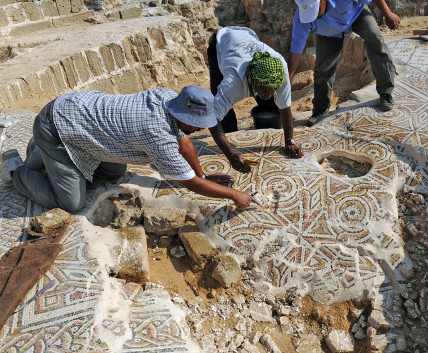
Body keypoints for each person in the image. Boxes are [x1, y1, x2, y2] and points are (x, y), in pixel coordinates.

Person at [0, 86, 253, 212]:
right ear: (185, 117)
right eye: (197, 125)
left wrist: (205, 176)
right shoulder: (157, 135)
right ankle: (16, 171)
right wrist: (232, 195)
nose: (199, 130)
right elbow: (189, 184)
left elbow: (184, 143)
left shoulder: (167, 98)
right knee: (71, 202)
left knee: (115, 168)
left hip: (75, 113)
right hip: (55, 125)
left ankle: (42, 153)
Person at [207, 26, 304, 173]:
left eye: (273, 88)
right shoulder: (233, 83)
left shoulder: (280, 71)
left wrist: (290, 141)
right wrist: (230, 154)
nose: (270, 93)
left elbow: (285, 107)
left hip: (247, 36)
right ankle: (229, 136)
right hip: (220, 45)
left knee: (269, 101)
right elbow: (212, 119)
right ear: (254, 79)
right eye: (265, 89)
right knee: (221, 108)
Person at [288, 0, 400, 126]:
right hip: (328, 33)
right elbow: (295, 52)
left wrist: (388, 13)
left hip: (355, 14)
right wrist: (287, 81)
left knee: (375, 40)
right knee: (323, 68)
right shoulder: (302, 17)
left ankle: (386, 92)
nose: (315, 17)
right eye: (309, 14)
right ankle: (320, 110)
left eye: (316, 11)